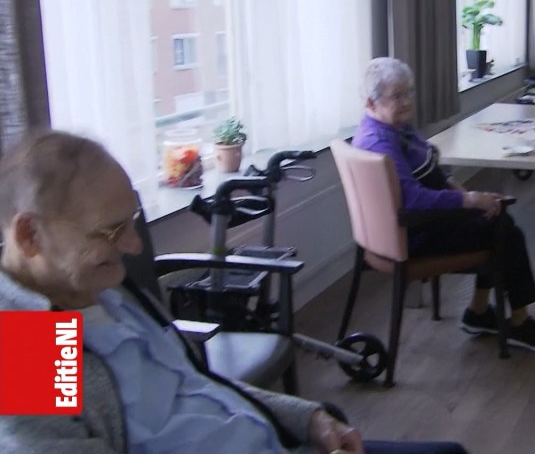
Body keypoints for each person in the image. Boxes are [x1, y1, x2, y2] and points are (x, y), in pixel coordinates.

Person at [0, 130, 468, 454]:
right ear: (29, 236)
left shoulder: (105, 291)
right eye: (110, 231)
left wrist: (307, 418)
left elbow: (200, 386)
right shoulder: (31, 343)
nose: (134, 246)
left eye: (133, 222)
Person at [351, 57, 535, 353]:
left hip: (413, 223)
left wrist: (462, 192)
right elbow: (413, 199)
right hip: (411, 234)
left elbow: (429, 170)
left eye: (409, 92)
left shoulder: (393, 128)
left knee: (495, 215)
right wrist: (469, 200)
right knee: (505, 230)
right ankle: (518, 321)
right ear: (370, 102)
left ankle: (479, 312)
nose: (407, 101)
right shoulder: (379, 143)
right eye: (397, 95)